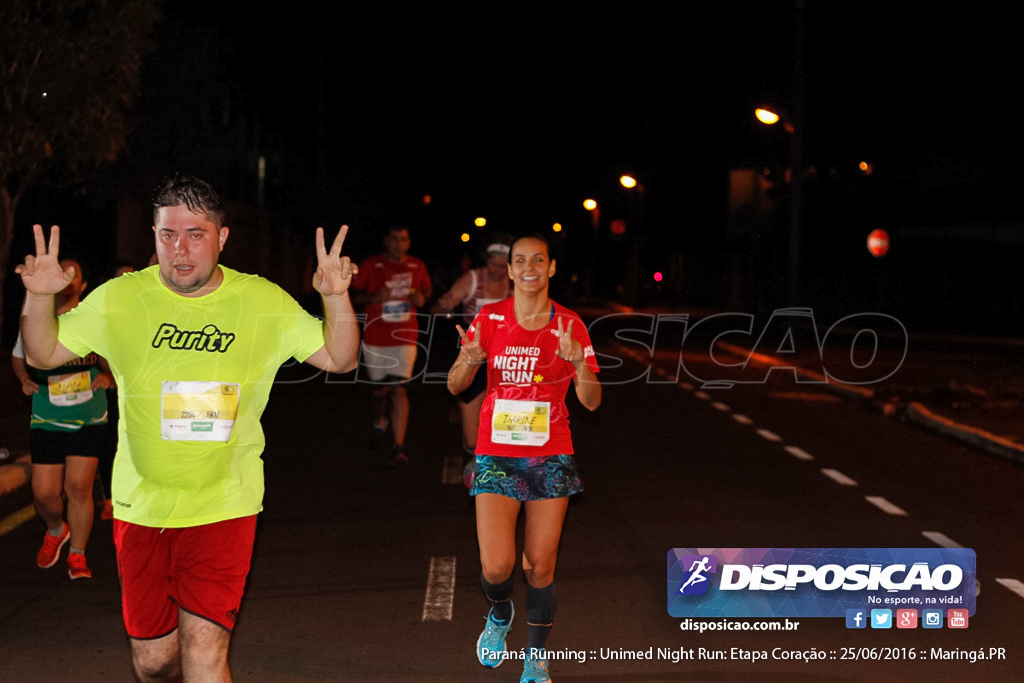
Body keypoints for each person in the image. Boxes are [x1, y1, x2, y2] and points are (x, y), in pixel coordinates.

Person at [15, 174, 360, 683]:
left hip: (225, 504)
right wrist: (38, 298)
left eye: (195, 234)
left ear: (222, 238)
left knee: (205, 657)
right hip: (141, 506)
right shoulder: (120, 297)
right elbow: (44, 352)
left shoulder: (260, 300)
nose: (180, 250)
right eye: (167, 235)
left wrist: (336, 298)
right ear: (152, 236)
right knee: (154, 664)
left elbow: (340, 356)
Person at [447, 233, 601, 683]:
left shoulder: (570, 324)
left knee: (540, 564)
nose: (530, 266)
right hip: (496, 453)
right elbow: (456, 386)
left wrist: (581, 365)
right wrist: (470, 360)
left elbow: (591, 402)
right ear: (510, 270)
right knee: (497, 566)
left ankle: (535, 657)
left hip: (550, 453)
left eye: (539, 259)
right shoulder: (490, 319)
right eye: (521, 260)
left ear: (551, 268)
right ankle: (499, 614)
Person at [11, 256, 112, 580]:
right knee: (44, 494)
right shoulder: (38, 319)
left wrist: (110, 378)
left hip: (88, 415)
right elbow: (18, 356)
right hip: (47, 415)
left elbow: (113, 358)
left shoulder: (94, 319)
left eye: (74, 275)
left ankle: (78, 554)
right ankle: (56, 529)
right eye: (62, 272)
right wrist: (24, 379)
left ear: (82, 284)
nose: (67, 280)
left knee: (78, 487)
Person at [351, 224, 432, 466]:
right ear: (387, 241)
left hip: (405, 336)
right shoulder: (372, 264)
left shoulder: (417, 265)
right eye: (394, 238)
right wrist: (374, 299)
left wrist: (422, 297)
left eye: (404, 239)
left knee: (399, 389)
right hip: (376, 337)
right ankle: (379, 420)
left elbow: (427, 289)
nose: (399, 243)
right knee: (379, 392)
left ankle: (398, 447)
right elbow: (353, 295)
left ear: (409, 242)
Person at [432, 235, 514, 469]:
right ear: (485, 260)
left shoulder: (515, 284)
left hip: (506, 360)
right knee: (471, 438)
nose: (498, 270)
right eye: (493, 264)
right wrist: (444, 305)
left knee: (503, 426)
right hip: (473, 357)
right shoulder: (471, 279)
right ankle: (477, 457)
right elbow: (437, 308)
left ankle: (494, 470)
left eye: (503, 265)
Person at [96, 260, 137, 521]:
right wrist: (110, 375)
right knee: (110, 442)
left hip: (144, 391)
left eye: (131, 277)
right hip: (114, 390)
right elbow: (101, 352)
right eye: (120, 277)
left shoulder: (150, 309)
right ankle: (111, 498)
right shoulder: (105, 313)